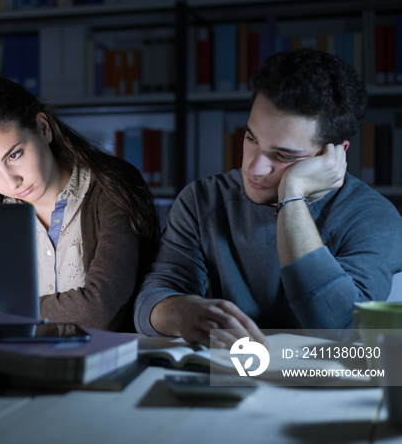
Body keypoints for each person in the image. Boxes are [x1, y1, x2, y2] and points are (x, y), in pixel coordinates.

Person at [134, 48, 402, 347]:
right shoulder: (202, 199)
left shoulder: (374, 218)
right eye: (251, 139)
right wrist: (178, 313)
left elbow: (339, 327)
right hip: (226, 376)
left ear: (333, 154)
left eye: (284, 155)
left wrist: (292, 196)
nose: (254, 167)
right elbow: (152, 301)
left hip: (320, 384)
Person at [0, 74, 160, 331]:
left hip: (101, 363)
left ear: (43, 128)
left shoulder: (110, 187)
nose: (12, 182)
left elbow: (97, 310)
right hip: (19, 362)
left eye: (14, 155)